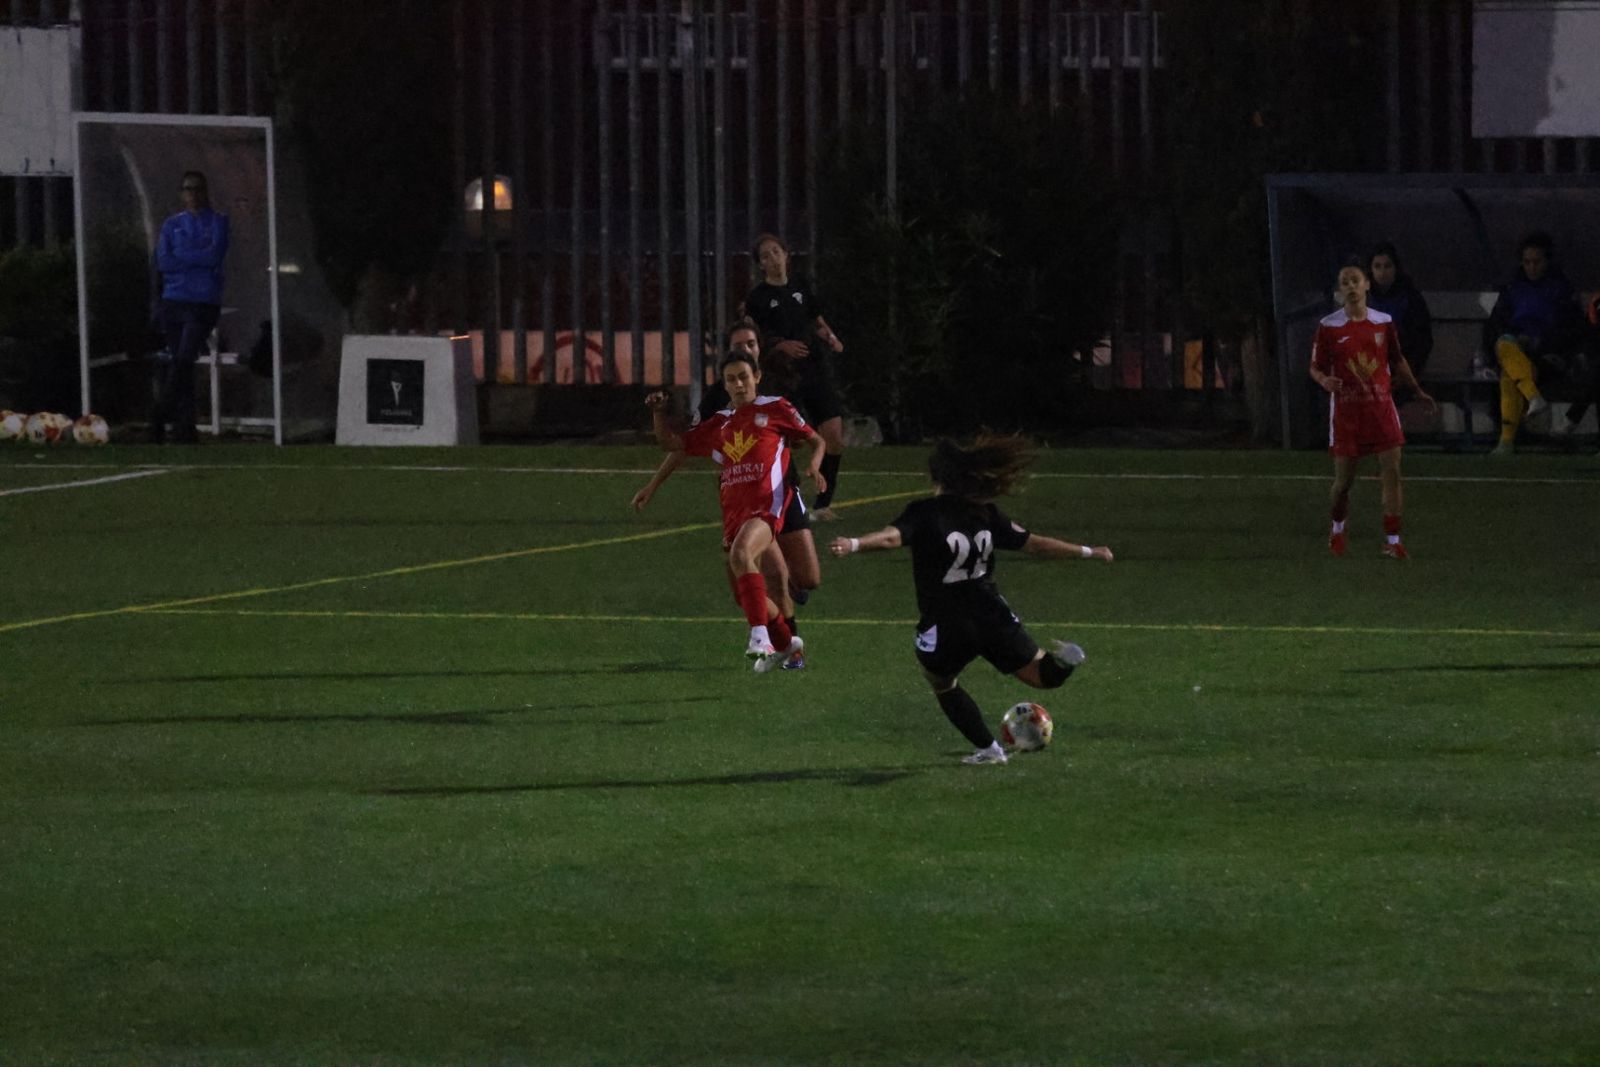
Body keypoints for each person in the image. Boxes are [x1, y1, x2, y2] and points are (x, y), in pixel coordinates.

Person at [827, 434, 1114, 766]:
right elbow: (1036, 544)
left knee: (940, 680)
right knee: (1041, 676)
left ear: (936, 477)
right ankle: (1064, 661)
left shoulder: (924, 512)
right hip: (991, 611)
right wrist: (1088, 551)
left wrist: (854, 543)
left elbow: (893, 538)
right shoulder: (986, 514)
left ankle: (990, 750)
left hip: (949, 619)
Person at [633, 321, 823, 668]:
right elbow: (678, 444)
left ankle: (762, 635)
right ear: (723, 381)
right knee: (756, 582)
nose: (739, 380)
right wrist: (654, 476)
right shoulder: (718, 415)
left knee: (800, 577)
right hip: (739, 505)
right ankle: (788, 647)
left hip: (781, 493)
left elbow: (810, 436)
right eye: (731, 377)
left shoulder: (777, 398)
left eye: (751, 344)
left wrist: (814, 462)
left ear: (758, 365)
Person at [1310, 260, 1435, 559]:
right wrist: (1324, 379)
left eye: (1356, 281)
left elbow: (1397, 359)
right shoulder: (1329, 327)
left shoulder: (1383, 322)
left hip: (1381, 408)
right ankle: (1338, 527)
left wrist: (1417, 390)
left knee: (1391, 471)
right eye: (1345, 282)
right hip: (1346, 414)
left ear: (1366, 285)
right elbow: (1314, 367)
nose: (1351, 287)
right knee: (1343, 482)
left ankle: (1393, 539)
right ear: (1340, 291)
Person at [742, 233, 847, 519]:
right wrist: (780, 345)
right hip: (783, 377)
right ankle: (786, 500)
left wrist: (831, 338)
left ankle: (823, 505)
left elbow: (818, 321)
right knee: (788, 441)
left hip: (814, 369)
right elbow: (753, 337)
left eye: (776, 252)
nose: (772, 259)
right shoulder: (758, 298)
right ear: (761, 265)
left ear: (786, 255)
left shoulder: (801, 286)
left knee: (834, 435)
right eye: (765, 256)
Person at [1485, 231, 1585, 456]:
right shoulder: (1513, 287)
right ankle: (1533, 398)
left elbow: (1571, 329)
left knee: (1509, 371)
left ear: (1547, 261)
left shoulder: (1560, 289)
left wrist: (1541, 344)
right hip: (1517, 351)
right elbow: (1496, 323)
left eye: (1537, 262)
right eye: (1527, 262)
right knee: (1505, 346)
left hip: (1547, 357)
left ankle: (1506, 441)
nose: (1531, 267)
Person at [151, 170, 230, 444]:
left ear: (205, 191)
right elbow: (164, 262)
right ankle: (185, 430)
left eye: (197, 188)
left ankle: (159, 418)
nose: (192, 194)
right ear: (181, 193)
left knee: (184, 358)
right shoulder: (171, 225)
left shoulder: (218, 221)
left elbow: (213, 257)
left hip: (203, 302)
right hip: (174, 300)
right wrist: (194, 259)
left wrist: (184, 257)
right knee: (180, 364)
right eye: (187, 189)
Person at [1367, 242, 1433, 399]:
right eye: (1377, 266)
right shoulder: (1362, 298)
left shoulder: (1410, 298)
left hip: (1403, 368)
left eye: (1387, 266)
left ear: (1396, 268)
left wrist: (1408, 370)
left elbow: (1422, 340)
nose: (1382, 272)